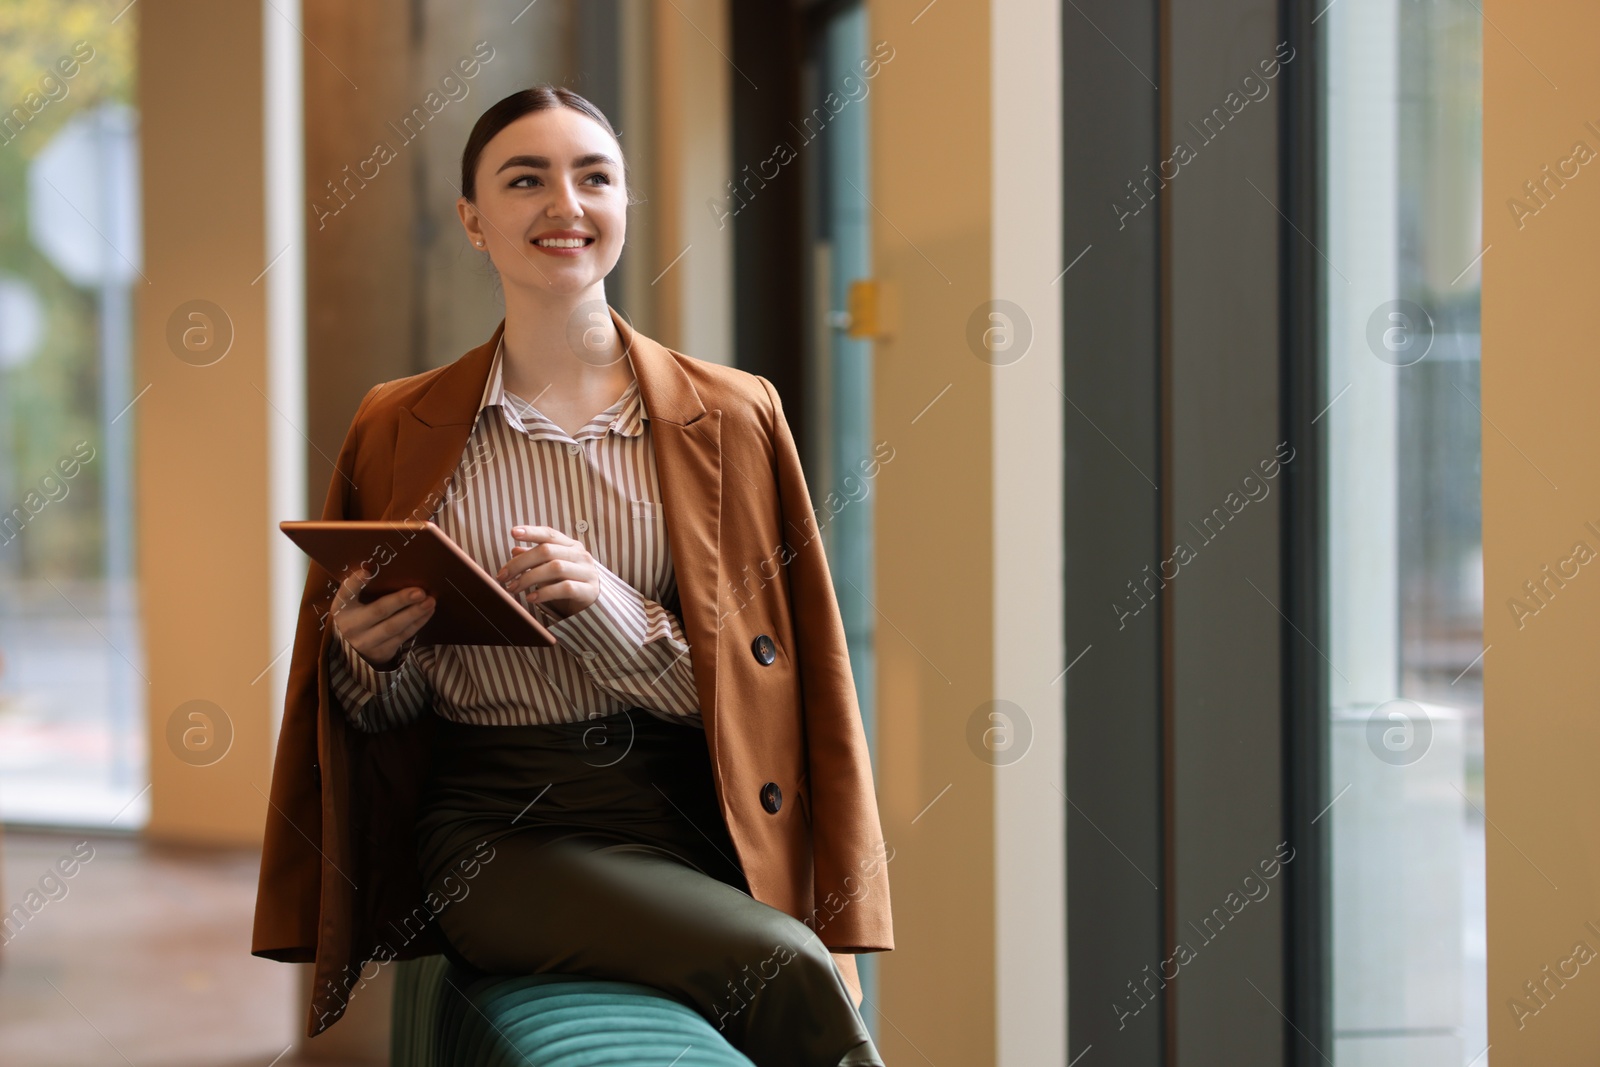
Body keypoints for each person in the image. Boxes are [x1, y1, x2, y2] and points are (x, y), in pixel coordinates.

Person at [250, 86, 893, 1067]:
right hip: (498, 830)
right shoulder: (396, 423)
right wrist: (367, 661)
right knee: (782, 964)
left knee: (796, 952)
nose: (566, 203)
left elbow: (787, 683)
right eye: (525, 179)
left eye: (595, 176)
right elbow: (379, 720)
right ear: (473, 219)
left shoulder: (735, 414)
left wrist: (614, 613)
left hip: (698, 810)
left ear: (625, 205)